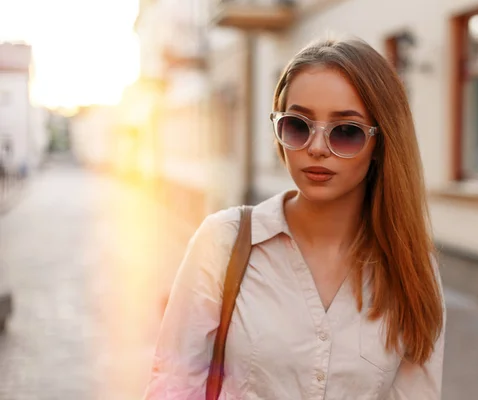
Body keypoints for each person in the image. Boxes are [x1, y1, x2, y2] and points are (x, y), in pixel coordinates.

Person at [144, 37, 445, 399]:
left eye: (346, 132)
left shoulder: (412, 266)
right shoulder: (222, 242)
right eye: (298, 126)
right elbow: (173, 386)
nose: (316, 148)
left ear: (381, 143)